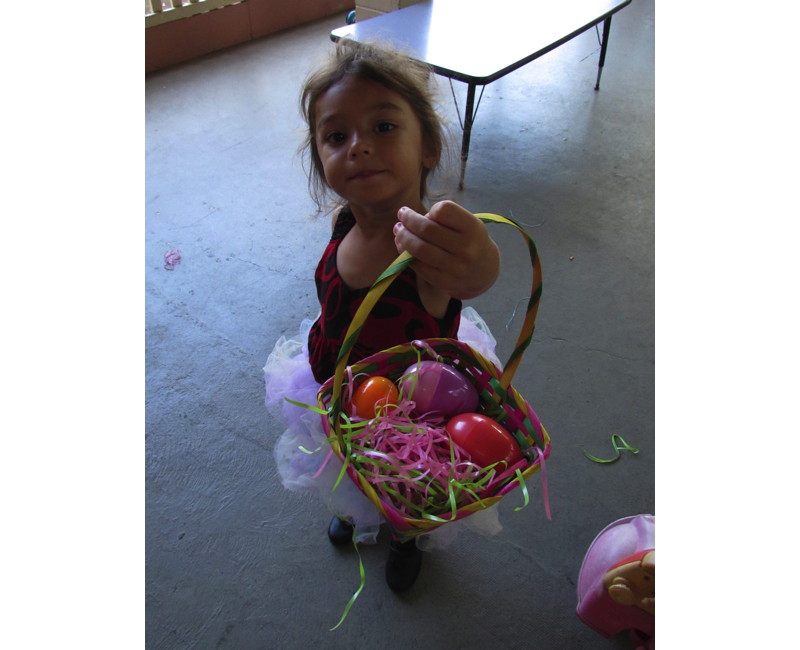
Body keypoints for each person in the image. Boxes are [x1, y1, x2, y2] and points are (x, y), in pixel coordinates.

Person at [264, 40, 503, 593]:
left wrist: (477, 257)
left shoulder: (426, 248)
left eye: (384, 127)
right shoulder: (347, 218)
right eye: (336, 136)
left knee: (400, 484)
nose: (359, 148)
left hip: (407, 418)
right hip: (337, 386)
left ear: (428, 146)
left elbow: (474, 270)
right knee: (349, 468)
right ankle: (354, 513)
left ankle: (404, 535)